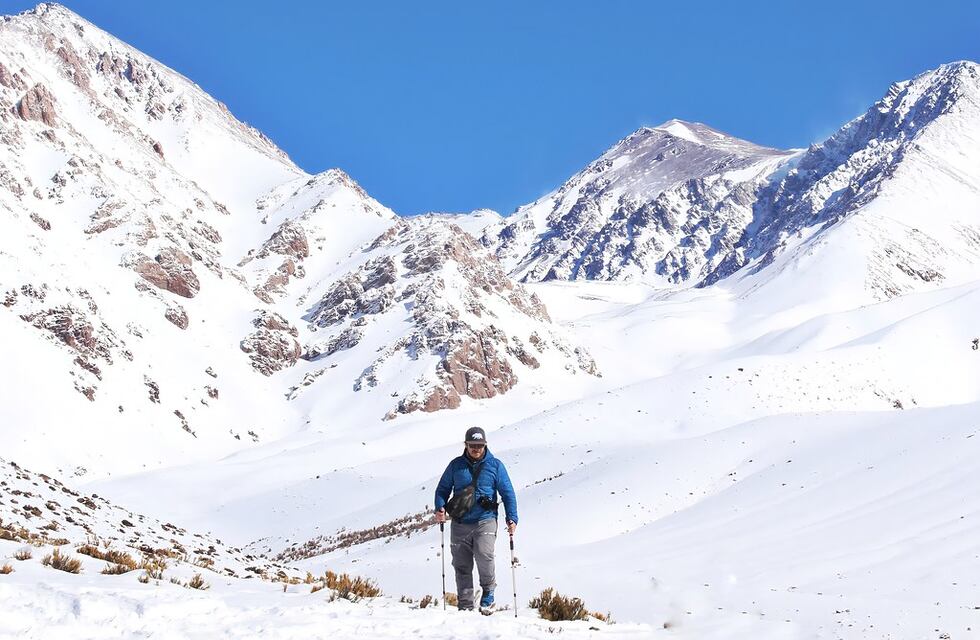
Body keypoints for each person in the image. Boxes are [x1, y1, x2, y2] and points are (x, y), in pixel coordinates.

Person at [434, 426, 518, 612]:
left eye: (480, 445)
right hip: (460, 521)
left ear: (485, 445)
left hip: (485, 519)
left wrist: (512, 518)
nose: (476, 449)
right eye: (473, 445)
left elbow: (508, 493)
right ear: (466, 445)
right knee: (461, 564)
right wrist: (439, 507)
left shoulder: (495, 465)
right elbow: (442, 490)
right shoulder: (456, 465)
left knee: (484, 553)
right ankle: (465, 604)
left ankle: (488, 592)